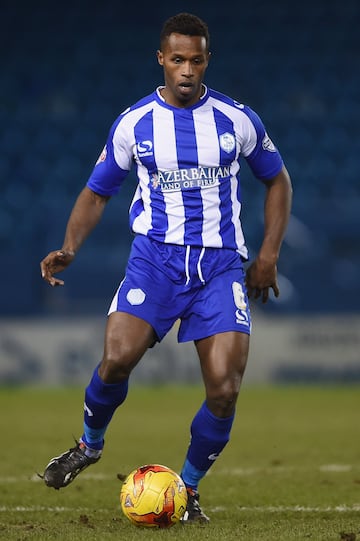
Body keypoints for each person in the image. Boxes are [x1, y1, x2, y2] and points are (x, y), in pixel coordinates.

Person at [40, 12, 292, 523]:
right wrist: (70, 246)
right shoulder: (135, 123)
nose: (186, 70)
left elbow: (278, 181)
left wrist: (268, 255)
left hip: (219, 268)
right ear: (161, 59)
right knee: (115, 360)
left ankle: (190, 489)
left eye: (196, 60)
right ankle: (89, 445)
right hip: (154, 263)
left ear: (206, 61)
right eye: (177, 59)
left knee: (224, 388)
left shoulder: (237, 120)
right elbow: (97, 192)